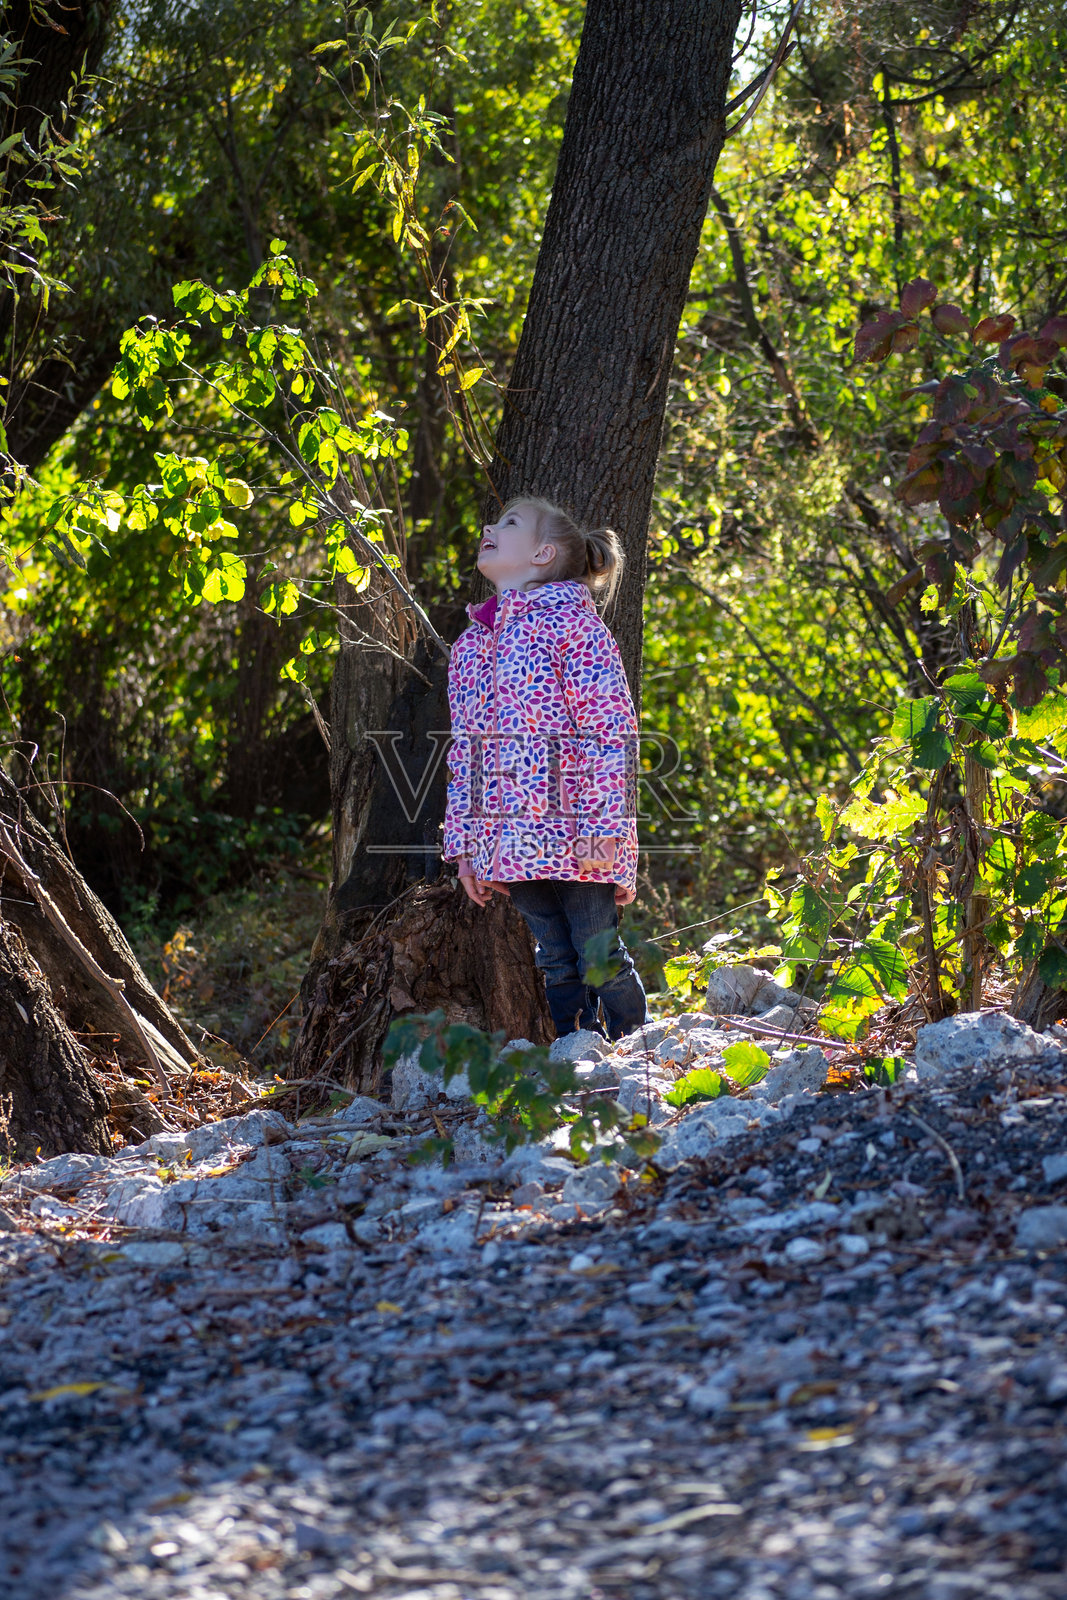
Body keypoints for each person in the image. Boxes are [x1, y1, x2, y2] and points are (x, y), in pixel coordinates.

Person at [441, 495, 653, 1041]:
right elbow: (465, 753)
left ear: (542, 553)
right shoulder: (471, 646)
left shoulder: (572, 628)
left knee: (597, 954)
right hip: (508, 839)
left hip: (580, 831)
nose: (489, 525)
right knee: (555, 960)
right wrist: (465, 848)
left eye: (509, 523)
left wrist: (605, 834)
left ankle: (641, 1054)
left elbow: (611, 736)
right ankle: (578, 1059)